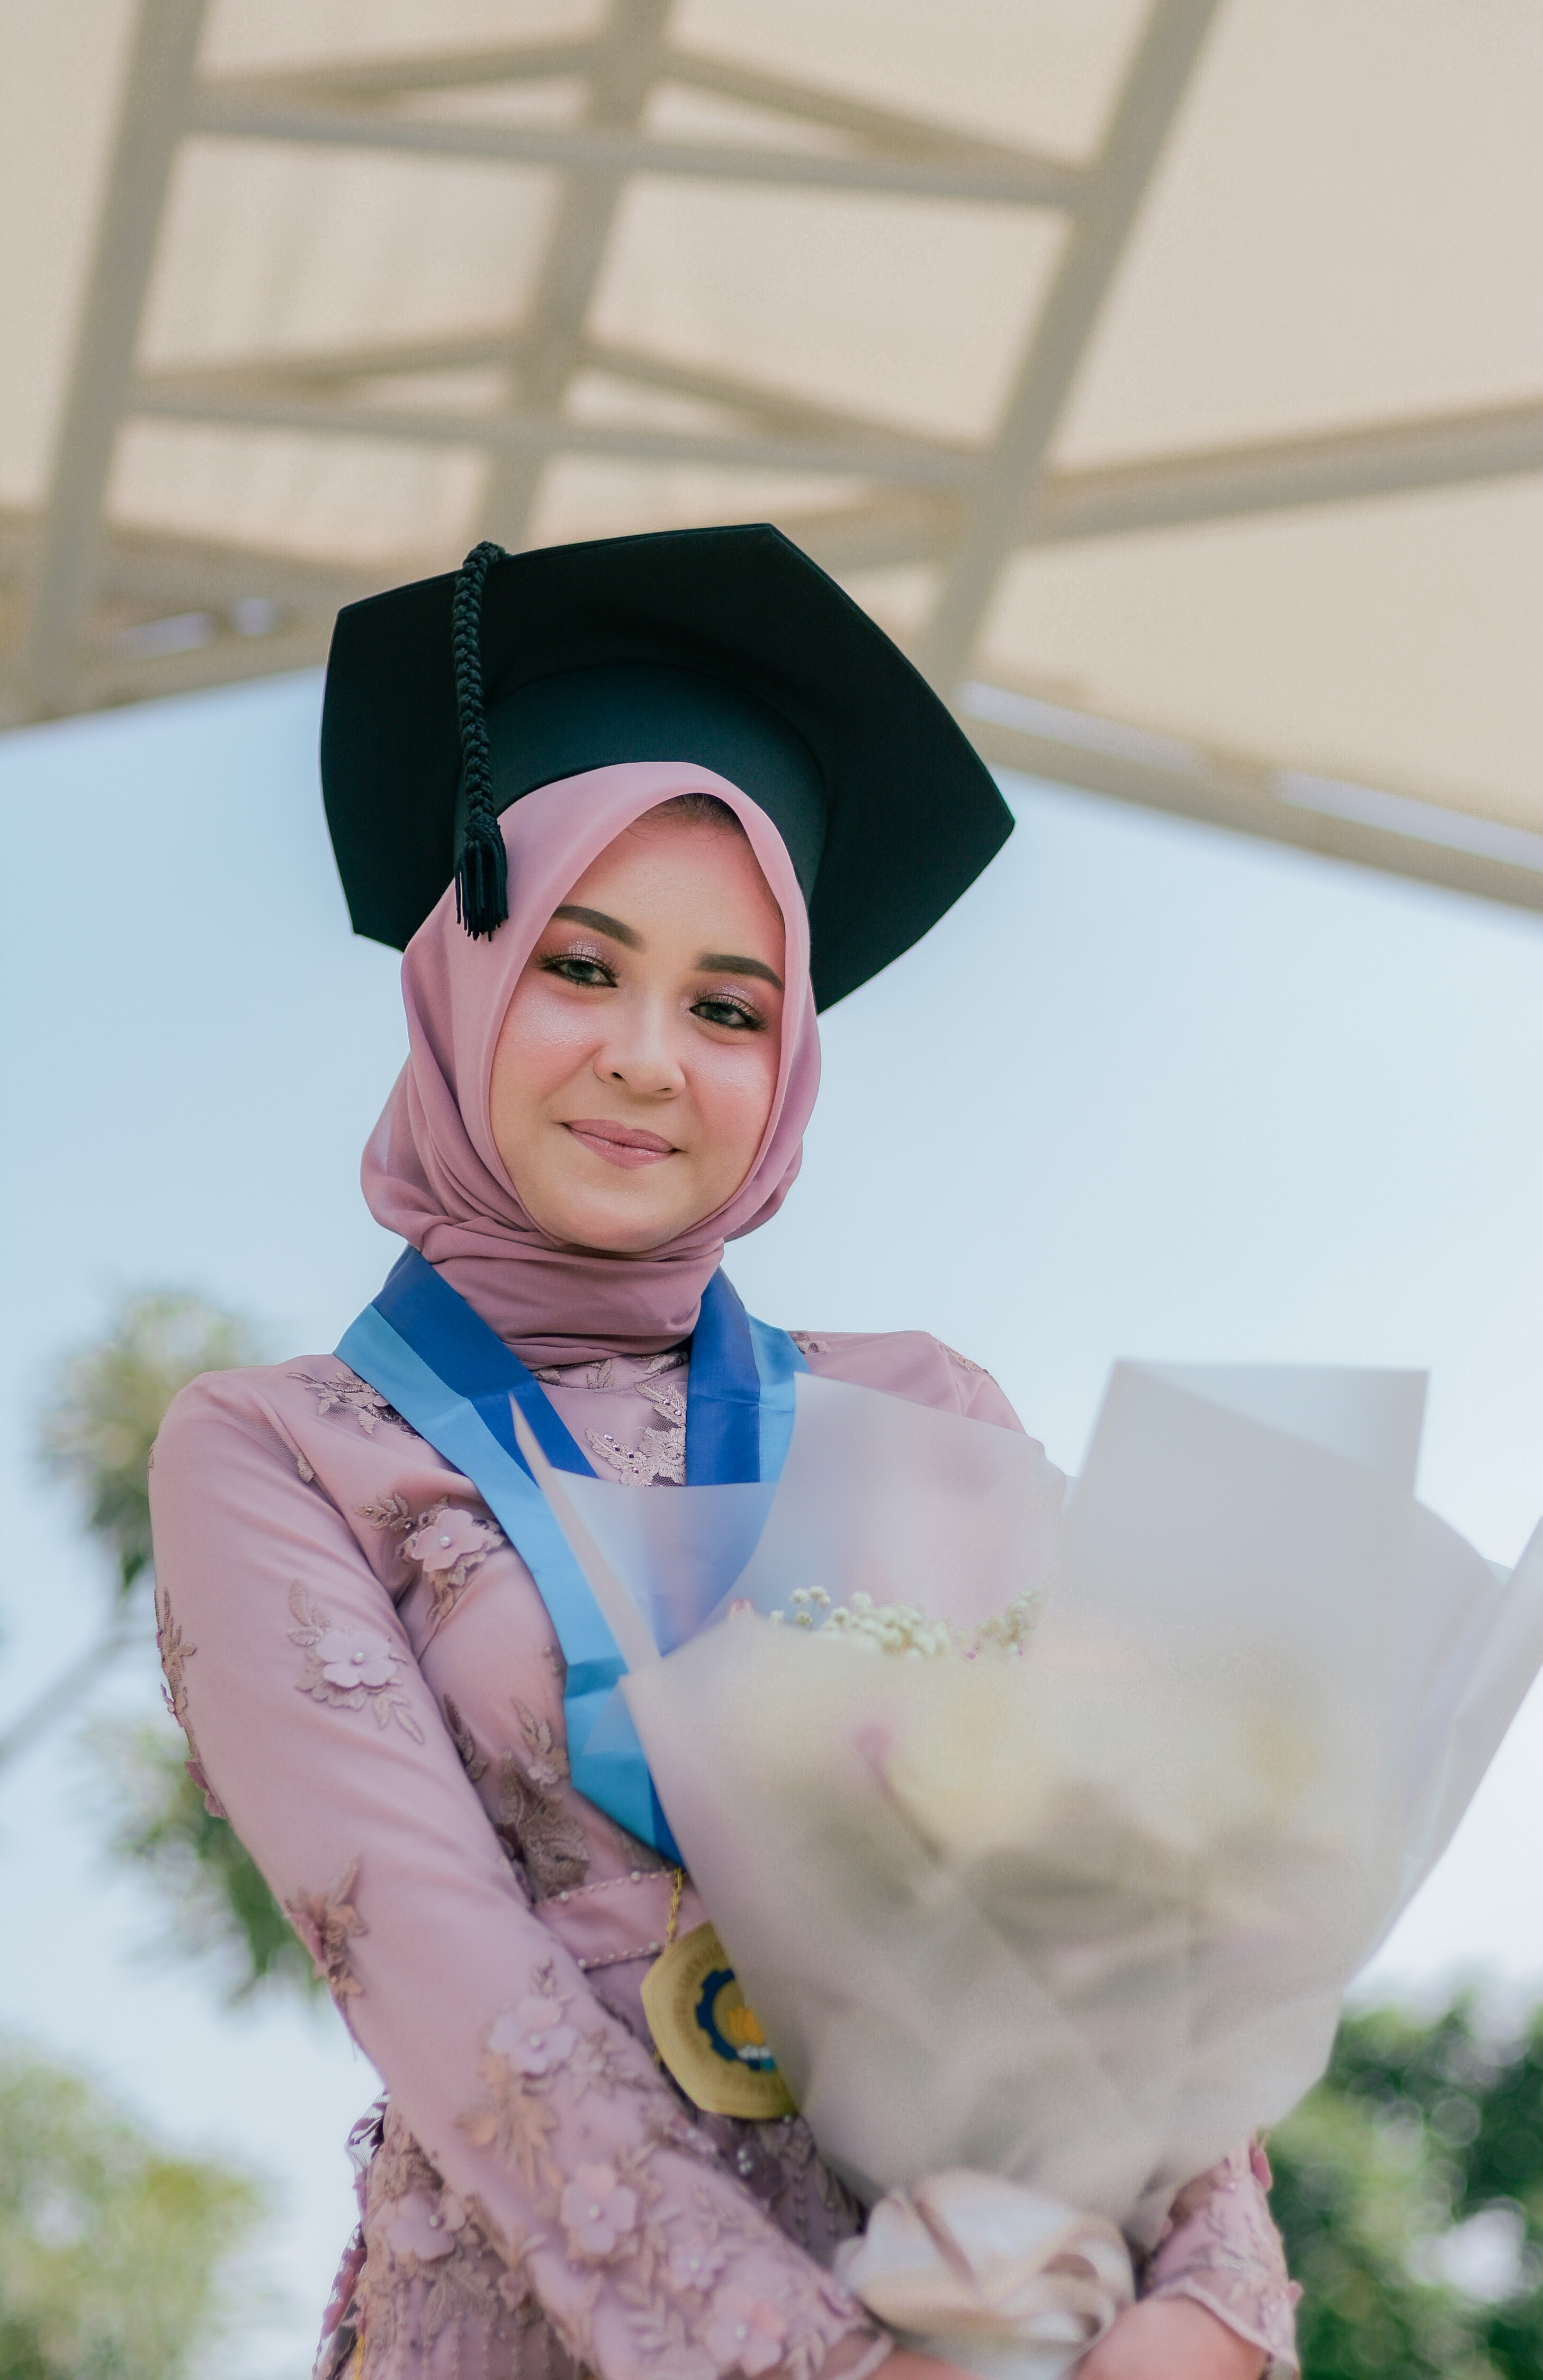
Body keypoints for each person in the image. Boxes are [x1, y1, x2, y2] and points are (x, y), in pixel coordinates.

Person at [149, 528, 1297, 2380]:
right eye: (581, 967)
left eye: (728, 1006)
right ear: (463, 972)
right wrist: (803, 2361)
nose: (645, 1058)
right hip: (552, 2323)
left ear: (792, 1064)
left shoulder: (921, 1412)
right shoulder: (282, 1452)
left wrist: (1208, 2285)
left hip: (990, 2301)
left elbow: (1125, 1912)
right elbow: (434, 1958)